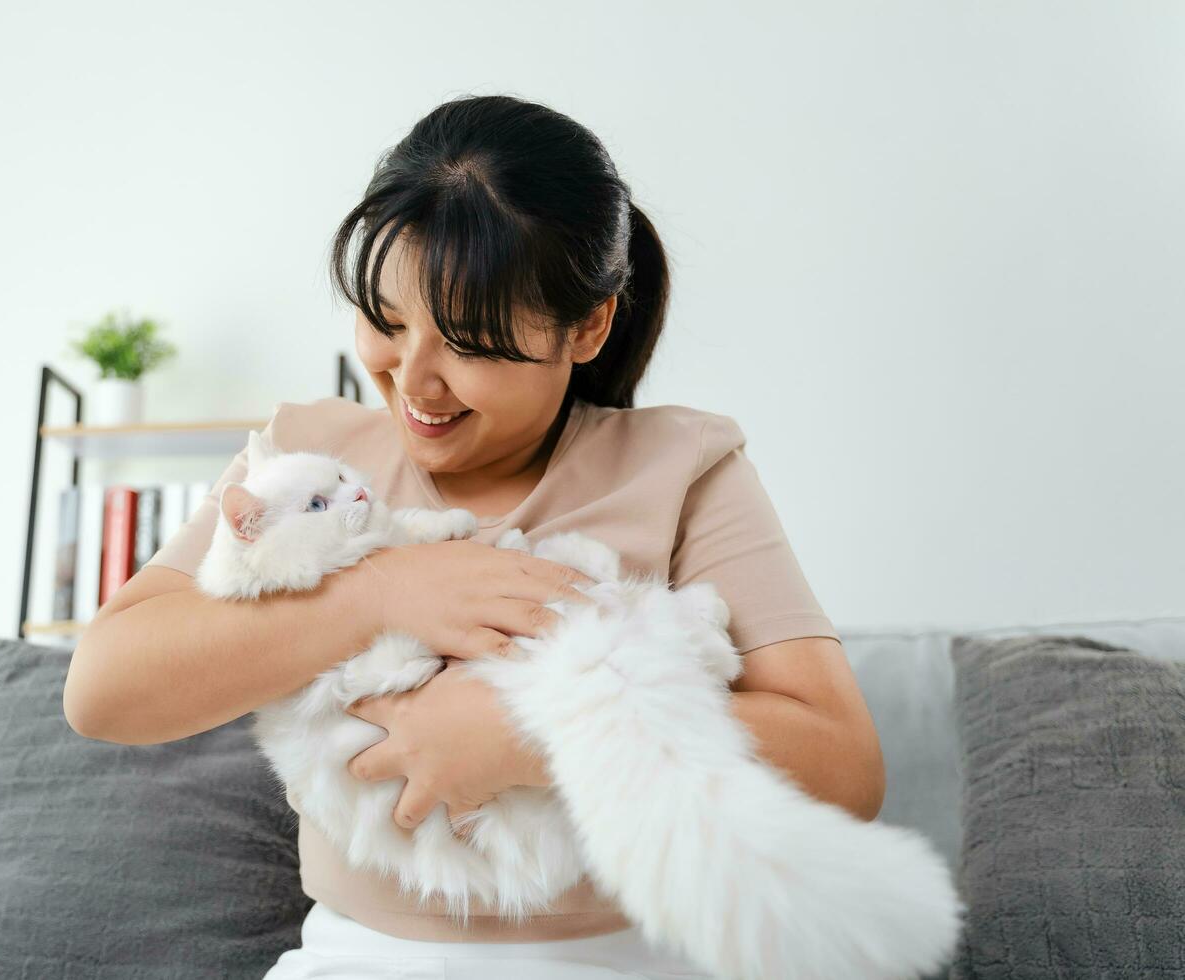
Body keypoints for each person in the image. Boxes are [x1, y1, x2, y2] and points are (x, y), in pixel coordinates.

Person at [63, 93, 884, 980]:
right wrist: (381, 592)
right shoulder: (310, 463)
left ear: (587, 327)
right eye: (386, 320)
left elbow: (842, 764)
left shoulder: (682, 467)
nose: (414, 379)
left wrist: (548, 730)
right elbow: (104, 689)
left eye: (469, 340)